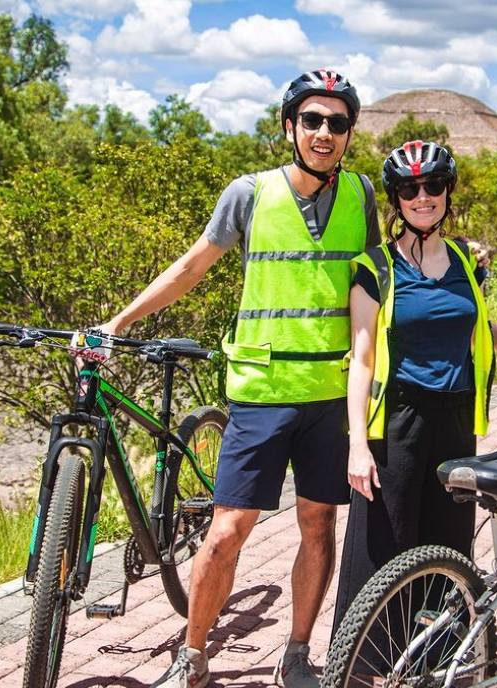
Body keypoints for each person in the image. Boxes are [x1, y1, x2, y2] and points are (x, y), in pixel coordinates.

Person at [100, 69, 381, 688]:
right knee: (227, 531)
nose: (324, 132)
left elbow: (382, 284)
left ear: (349, 133)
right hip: (259, 394)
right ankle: (193, 655)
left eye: (337, 122)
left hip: (331, 397)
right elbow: (192, 265)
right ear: (290, 127)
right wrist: (120, 321)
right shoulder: (249, 193)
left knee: (318, 525)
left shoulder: (362, 198)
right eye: (312, 120)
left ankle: (299, 652)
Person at [332, 140, 497, 638]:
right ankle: (370, 660)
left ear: (447, 192)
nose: (423, 197)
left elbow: (475, 330)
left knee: (448, 542)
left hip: (457, 420)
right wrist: (356, 444)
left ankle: (437, 654)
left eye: (433, 186)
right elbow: (362, 358)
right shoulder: (374, 268)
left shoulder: (467, 261)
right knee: (387, 544)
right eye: (410, 188)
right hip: (397, 423)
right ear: (396, 199)